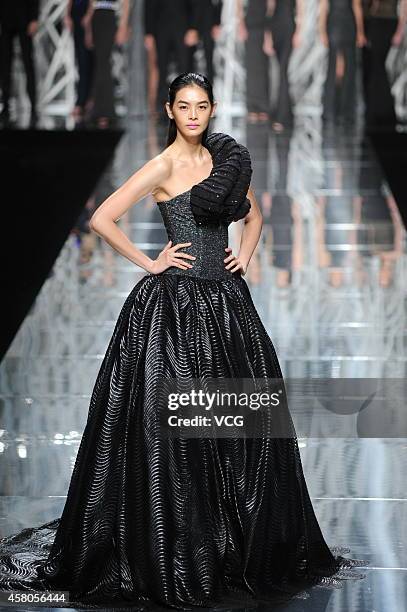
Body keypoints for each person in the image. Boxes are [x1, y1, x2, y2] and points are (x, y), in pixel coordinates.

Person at [0, 72, 368, 609]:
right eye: (183, 107)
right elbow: (103, 217)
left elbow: (254, 212)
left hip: (227, 305)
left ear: (211, 110)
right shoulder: (163, 165)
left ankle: (229, 541)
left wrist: (247, 251)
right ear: (169, 111)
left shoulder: (226, 161)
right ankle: (180, 544)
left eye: (201, 107)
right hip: (172, 310)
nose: (193, 115)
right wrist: (151, 263)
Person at [144, 0, 199, 120]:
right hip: (160, 27)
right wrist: (148, 32)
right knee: (161, 67)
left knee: (185, 68)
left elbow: (194, 4)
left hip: (183, 26)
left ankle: (186, 104)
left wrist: (193, 28)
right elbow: (149, 5)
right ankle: (162, 106)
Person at [81, 0, 131, 129]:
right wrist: (88, 28)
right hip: (96, 18)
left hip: (109, 17)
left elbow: (126, 3)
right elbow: (92, 3)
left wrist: (123, 26)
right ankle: (101, 110)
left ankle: (105, 111)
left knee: (104, 64)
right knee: (100, 64)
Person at [319, 0, 367, 126]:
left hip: (346, 25)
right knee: (334, 69)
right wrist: (322, 30)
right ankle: (334, 111)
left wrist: (360, 32)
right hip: (336, 24)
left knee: (348, 69)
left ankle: (343, 112)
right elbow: (323, 7)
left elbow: (357, 7)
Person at [362, 0, 407, 127]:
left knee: (384, 66)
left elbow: (404, 5)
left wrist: (400, 30)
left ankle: (385, 110)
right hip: (377, 22)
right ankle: (378, 110)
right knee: (377, 67)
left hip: (389, 23)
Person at [264, 0, 304, 132]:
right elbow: (270, 9)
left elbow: (300, 8)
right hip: (275, 27)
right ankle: (285, 114)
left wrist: (298, 31)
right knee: (280, 72)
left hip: (288, 27)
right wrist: (268, 36)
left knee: (282, 71)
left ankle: (282, 117)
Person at [0, 0, 39, 128]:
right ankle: (6, 105)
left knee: (28, 63)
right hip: (6, 20)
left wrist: (34, 18)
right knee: (5, 65)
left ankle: (33, 106)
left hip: (25, 18)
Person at [64, 0, 94, 125]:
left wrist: (89, 15)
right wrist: (67, 15)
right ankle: (83, 101)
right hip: (77, 15)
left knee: (88, 61)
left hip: (88, 17)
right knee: (82, 62)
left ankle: (84, 101)